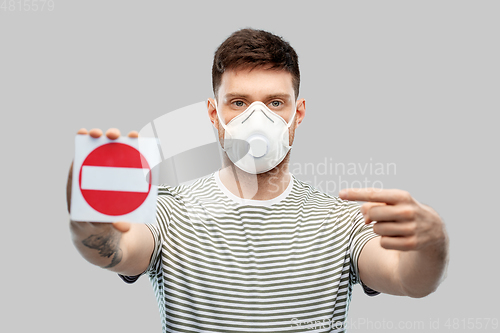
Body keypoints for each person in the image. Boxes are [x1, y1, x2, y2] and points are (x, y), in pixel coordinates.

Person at [67, 28, 449, 332]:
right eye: (238, 102)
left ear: (297, 114)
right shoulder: (169, 210)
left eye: (275, 103)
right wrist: (89, 217)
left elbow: (410, 280)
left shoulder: (343, 220)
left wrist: (433, 242)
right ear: (213, 115)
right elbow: (113, 250)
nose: (257, 119)